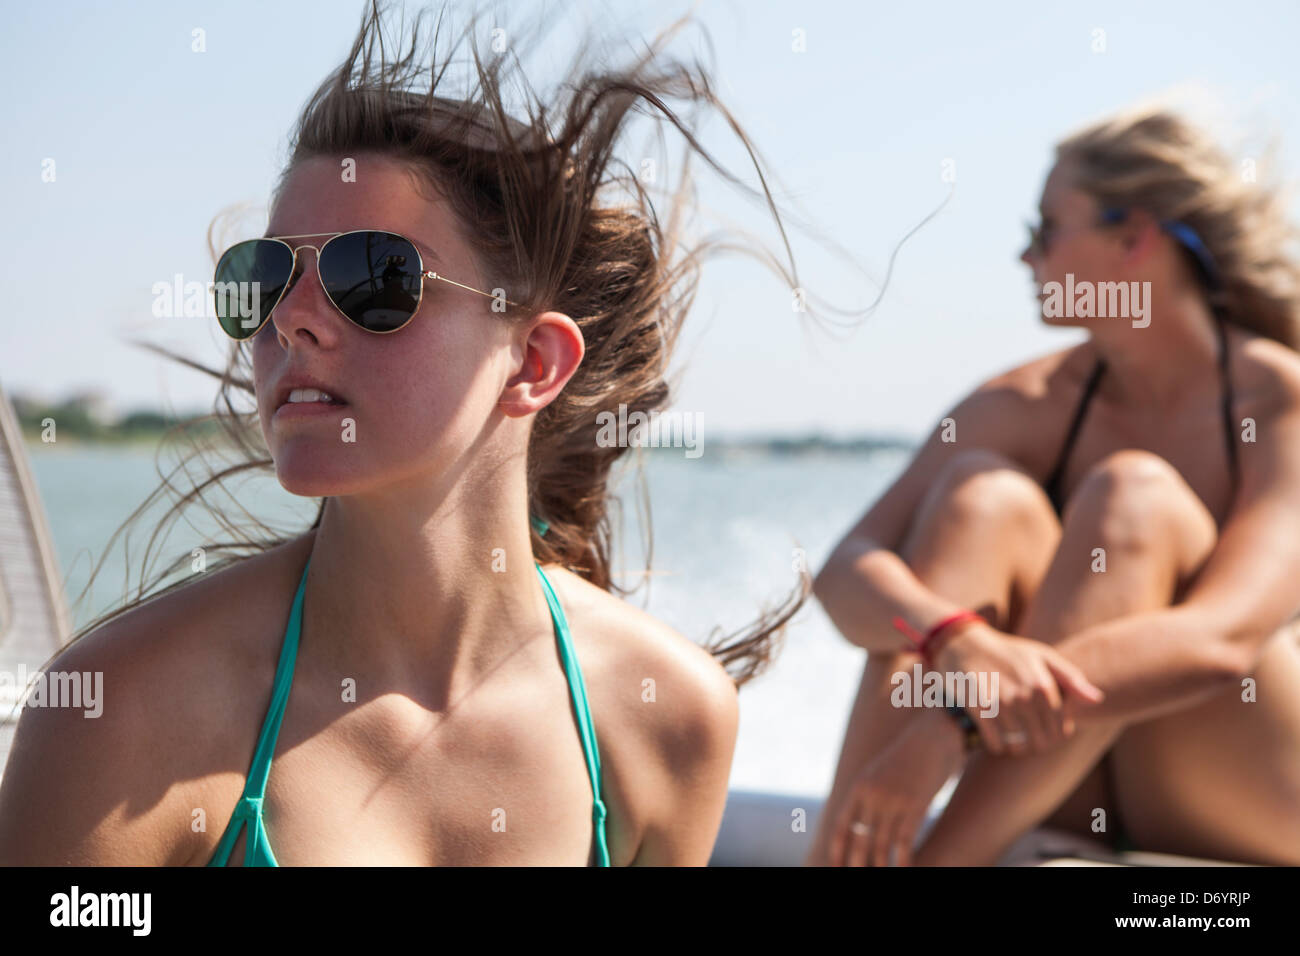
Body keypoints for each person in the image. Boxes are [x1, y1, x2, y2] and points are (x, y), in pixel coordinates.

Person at [0, 2, 806, 866]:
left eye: (373, 275)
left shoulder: (667, 720)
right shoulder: (124, 714)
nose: (294, 320)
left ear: (533, 360)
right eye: (264, 276)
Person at [808, 104, 1300, 866]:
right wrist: (953, 637)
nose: (1025, 258)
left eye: (1042, 230)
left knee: (1134, 497)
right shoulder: (1023, 404)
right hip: (1063, 780)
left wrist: (955, 722)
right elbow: (846, 570)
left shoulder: (1278, 401)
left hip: (1245, 791)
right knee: (982, 498)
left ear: (1133, 237)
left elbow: (1222, 641)